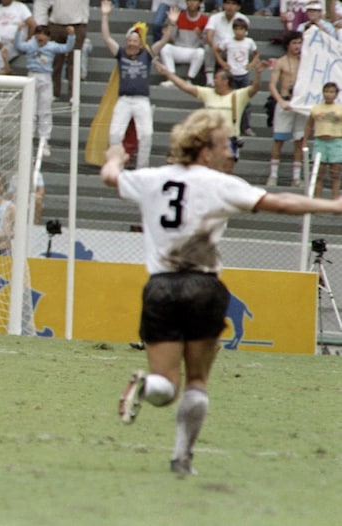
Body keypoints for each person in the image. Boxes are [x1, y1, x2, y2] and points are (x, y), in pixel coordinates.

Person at [104, 108, 342, 476]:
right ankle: (182, 458)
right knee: (197, 381)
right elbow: (281, 203)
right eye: (223, 146)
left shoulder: (151, 178)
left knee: (165, 387)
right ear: (204, 152)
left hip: (161, 288)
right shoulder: (219, 183)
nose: (230, 152)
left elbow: (110, 177)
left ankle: (147, 385)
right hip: (203, 288)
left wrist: (116, 156)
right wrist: (333, 205)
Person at [155, 56, 266, 162]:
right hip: (209, 140)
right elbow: (185, 87)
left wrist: (258, 73)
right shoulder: (208, 93)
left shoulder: (238, 95)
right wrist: (168, 73)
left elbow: (254, 88)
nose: (214, 81)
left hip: (228, 139)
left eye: (216, 78)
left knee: (226, 167)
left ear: (225, 81)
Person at [100, 0, 170, 169]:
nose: (132, 43)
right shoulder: (121, 53)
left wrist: (172, 25)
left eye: (135, 41)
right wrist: (104, 15)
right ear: (126, 41)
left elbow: (163, 41)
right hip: (124, 100)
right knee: (114, 134)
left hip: (141, 100)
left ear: (140, 43)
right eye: (130, 40)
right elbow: (106, 38)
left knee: (146, 135)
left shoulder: (147, 55)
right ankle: (116, 167)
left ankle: (142, 169)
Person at [15, 24, 75, 159]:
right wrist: (18, 31)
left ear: (48, 37)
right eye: (38, 34)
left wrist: (71, 35)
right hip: (31, 76)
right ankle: (28, 138)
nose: (40, 37)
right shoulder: (30, 45)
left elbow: (67, 48)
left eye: (43, 34)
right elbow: (19, 45)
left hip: (46, 77)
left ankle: (44, 140)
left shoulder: (51, 46)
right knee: (30, 110)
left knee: (45, 110)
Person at [267, 31, 305, 187]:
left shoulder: (306, 61)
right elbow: (272, 85)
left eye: (299, 43)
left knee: (300, 141)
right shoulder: (281, 62)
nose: (297, 46)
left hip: (300, 104)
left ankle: (296, 177)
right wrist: (281, 101)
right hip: (285, 101)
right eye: (294, 43)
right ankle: (273, 175)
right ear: (288, 45)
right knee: (279, 140)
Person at [33, 0, 89, 99]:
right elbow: (42, 3)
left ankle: (74, 95)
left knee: (74, 62)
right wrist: (41, 25)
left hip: (78, 24)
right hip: (56, 24)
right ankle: (53, 93)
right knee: (55, 61)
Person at [213, 17, 257, 136]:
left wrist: (252, 64)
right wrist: (222, 63)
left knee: (246, 102)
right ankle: (229, 125)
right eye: (236, 29)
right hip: (231, 75)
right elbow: (216, 50)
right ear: (233, 30)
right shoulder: (227, 41)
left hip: (244, 74)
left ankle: (246, 127)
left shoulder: (249, 42)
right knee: (230, 101)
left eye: (241, 29)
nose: (239, 32)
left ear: (245, 30)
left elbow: (256, 53)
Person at [303, 82, 342, 198]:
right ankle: (317, 200)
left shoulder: (339, 109)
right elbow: (309, 125)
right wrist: (305, 140)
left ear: (336, 94)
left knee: (335, 173)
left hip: (336, 142)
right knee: (318, 173)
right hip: (320, 142)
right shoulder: (316, 108)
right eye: (326, 91)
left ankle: (335, 200)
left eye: (331, 92)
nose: (328, 94)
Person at [157, 1, 208, 88]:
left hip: (193, 51)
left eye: (195, 1)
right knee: (165, 48)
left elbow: (206, 43)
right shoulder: (180, 16)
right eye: (189, 1)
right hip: (179, 49)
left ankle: (189, 79)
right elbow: (172, 38)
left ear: (200, 3)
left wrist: (200, 36)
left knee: (201, 52)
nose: (191, 3)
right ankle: (171, 78)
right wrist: (170, 26)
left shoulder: (204, 19)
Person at [203, 0, 248, 87]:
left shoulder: (243, 19)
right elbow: (209, 36)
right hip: (217, 48)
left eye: (233, 4)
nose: (230, 6)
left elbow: (242, 39)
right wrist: (216, 50)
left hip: (233, 49)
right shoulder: (214, 18)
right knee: (208, 47)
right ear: (223, 5)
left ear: (238, 7)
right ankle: (209, 79)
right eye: (227, 3)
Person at [0, 0, 34, 71]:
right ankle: (3, 69)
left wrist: (26, 42)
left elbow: (33, 25)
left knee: (1, 53)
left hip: (14, 42)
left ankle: (0, 70)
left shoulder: (21, 7)